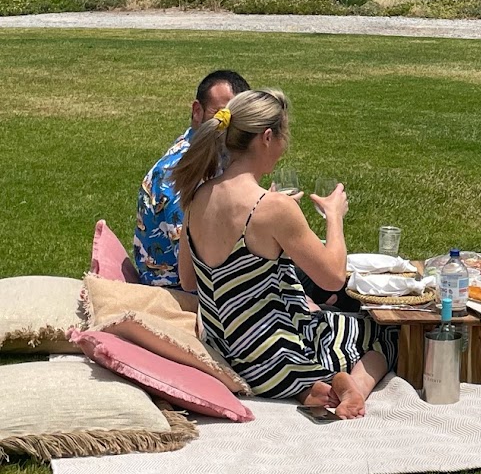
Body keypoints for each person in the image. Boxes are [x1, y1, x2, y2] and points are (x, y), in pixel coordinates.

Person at [174, 89, 395, 418]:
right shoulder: (271, 208)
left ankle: (318, 386)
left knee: (326, 317)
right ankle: (350, 387)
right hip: (276, 359)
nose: (285, 145)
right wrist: (335, 217)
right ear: (266, 137)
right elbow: (333, 277)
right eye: (284, 135)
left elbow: (188, 279)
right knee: (384, 332)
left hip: (229, 355)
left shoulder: (196, 197)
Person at [135, 70, 250, 287]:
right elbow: (197, 269)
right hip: (179, 293)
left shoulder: (212, 155)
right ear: (197, 111)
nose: (229, 129)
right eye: (221, 117)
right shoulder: (181, 173)